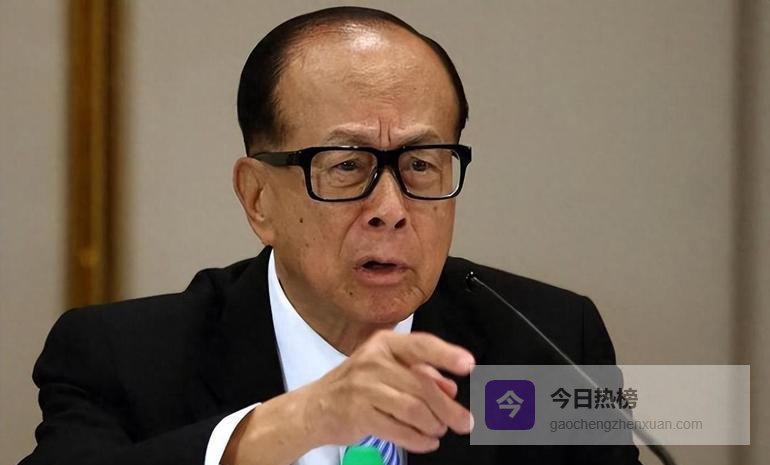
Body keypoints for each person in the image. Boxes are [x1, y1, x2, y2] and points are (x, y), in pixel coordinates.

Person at [20, 6, 640, 465]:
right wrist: (297, 422)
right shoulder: (123, 360)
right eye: (346, 166)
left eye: (422, 164)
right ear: (257, 198)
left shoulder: (547, 346)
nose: (391, 209)